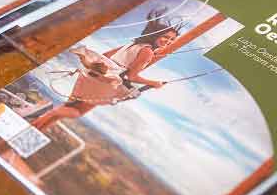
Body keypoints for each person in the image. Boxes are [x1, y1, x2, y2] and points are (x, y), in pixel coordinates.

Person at [31, 9, 182, 131]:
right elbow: (131, 76)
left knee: (66, 107)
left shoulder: (133, 44)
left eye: (171, 41)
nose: (167, 42)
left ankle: (35, 127)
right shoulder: (147, 52)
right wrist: (154, 83)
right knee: (75, 112)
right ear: (156, 34)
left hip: (91, 74)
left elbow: (105, 56)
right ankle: (40, 123)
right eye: (166, 37)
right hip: (104, 82)